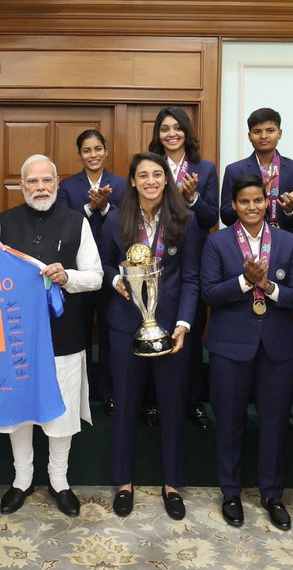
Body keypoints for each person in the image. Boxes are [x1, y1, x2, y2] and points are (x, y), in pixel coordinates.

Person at [0, 154, 102, 518]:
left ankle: (59, 480)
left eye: (46, 181)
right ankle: (22, 478)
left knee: (62, 409)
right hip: (16, 336)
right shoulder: (4, 223)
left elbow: (96, 276)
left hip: (64, 333)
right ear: (21, 186)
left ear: (57, 183)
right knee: (19, 409)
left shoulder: (77, 221)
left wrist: (67, 276)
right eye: (32, 182)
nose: (40, 188)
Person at [201, 174, 293, 531]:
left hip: (277, 348)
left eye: (257, 201)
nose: (251, 207)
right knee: (229, 422)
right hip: (230, 347)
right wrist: (247, 282)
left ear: (268, 203)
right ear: (233, 205)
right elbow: (210, 294)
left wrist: (269, 286)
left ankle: (272, 494)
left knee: (275, 424)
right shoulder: (217, 243)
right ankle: (230, 492)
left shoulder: (287, 242)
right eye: (243, 201)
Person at [100, 152, 201, 520]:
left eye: (157, 174)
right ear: (132, 181)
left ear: (166, 179)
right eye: (143, 175)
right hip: (127, 325)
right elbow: (104, 264)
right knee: (125, 403)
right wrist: (116, 280)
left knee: (173, 405)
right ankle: (123, 482)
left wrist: (185, 324)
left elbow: (191, 278)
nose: (151, 181)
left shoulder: (185, 221)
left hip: (171, 326)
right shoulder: (115, 219)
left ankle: (172, 483)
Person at [149, 106, 216, 428]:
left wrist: (192, 199)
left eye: (177, 128)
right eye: (164, 128)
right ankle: (152, 401)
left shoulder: (205, 169)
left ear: (186, 132)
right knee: (151, 328)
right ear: (157, 134)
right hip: (152, 264)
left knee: (188, 332)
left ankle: (193, 402)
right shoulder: (150, 166)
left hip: (191, 264)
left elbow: (210, 219)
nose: (171, 134)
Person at [56, 130, 126, 418]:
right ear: (79, 154)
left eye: (98, 149)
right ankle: (80, 395)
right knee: (79, 335)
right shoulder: (68, 187)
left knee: (110, 335)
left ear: (106, 151)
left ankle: (109, 394)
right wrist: (88, 207)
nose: (93, 155)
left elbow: (128, 220)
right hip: (77, 273)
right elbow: (62, 223)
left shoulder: (121, 185)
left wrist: (106, 206)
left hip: (111, 272)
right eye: (87, 150)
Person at [220, 108, 293, 232]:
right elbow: (226, 217)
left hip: (284, 242)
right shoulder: (234, 170)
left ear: (280, 133)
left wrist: (291, 208)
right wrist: (252, 195)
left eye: (270, 131)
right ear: (249, 136)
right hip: (245, 242)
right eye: (257, 131)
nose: (264, 136)